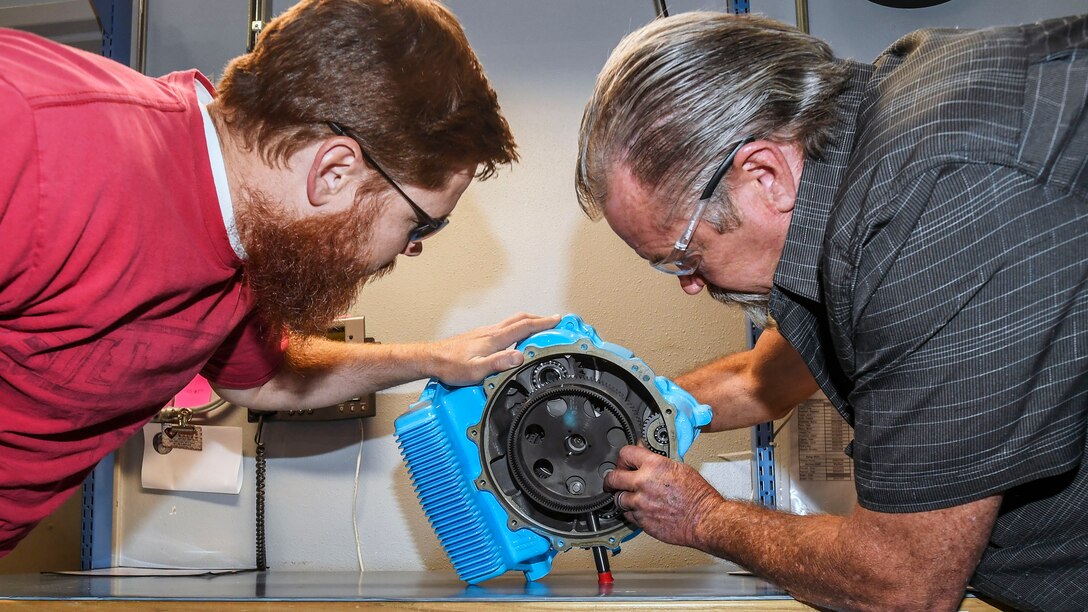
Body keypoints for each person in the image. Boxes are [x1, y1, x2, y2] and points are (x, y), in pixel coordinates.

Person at [0, 0, 559, 557]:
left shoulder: (250, 248)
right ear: (335, 171)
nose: (412, 248)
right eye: (422, 222)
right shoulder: (30, 129)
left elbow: (263, 380)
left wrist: (433, 359)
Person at [577, 11, 1087, 612]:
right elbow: (761, 378)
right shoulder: (875, 134)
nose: (688, 283)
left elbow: (901, 586)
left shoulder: (933, 217)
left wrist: (700, 516)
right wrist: (626, 410)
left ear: (764, 175)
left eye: (683, 255)